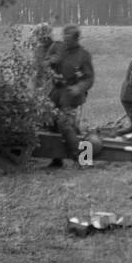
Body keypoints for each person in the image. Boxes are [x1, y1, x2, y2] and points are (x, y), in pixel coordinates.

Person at [45, 25, 94, 167]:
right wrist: (50, 62)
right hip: (55, 92)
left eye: (68, 39)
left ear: (76, 39)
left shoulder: (83, 55)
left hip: (71, 94)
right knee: (51, 124)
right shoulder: (58, 48)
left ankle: (83, 159)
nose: (65, 42)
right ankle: (56, 158)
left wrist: (79, 87)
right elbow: (44, 64)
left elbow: (89, 78)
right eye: (64, 38)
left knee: (64, 124)